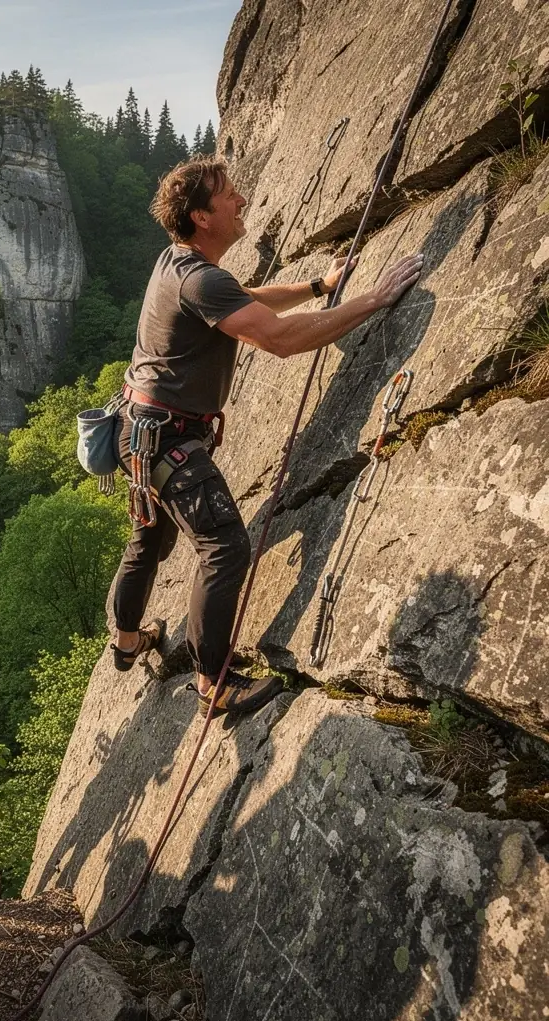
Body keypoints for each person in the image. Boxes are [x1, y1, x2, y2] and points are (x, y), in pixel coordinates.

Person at [111, 154, 424, 718]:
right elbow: (277, 340)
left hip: (139, 434)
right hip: (167, 441)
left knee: (149, 541)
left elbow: (244, 298)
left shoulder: (177, 263)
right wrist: (371, 300)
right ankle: (214, 681)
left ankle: (127, 639)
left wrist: (316, 285)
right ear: (202, 216)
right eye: (229, 193)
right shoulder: (199, 277)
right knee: (224, 545)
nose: (241, 200)